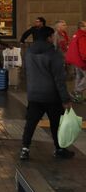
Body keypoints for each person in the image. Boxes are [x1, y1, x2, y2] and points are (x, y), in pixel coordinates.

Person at [19, 26, 74, 160]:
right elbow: (59, 79)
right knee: (56, 123)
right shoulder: (54, 53)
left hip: (34, 93)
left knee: (31, 123)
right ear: (49, 37)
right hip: (51, 95)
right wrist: (65, 99)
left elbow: (25, 72)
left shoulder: (29, 52)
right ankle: (59, 149)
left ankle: (25, 149)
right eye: (53, 36)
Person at [65, 21, 86, 103]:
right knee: (82, 77)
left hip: (75, 60)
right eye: (85, 26)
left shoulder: (76, 35)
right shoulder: (82, 36)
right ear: (81, 27)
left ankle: (77, 97)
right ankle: (76, 91)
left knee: (79, 77)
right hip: (81, 61)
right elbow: (83, 51)